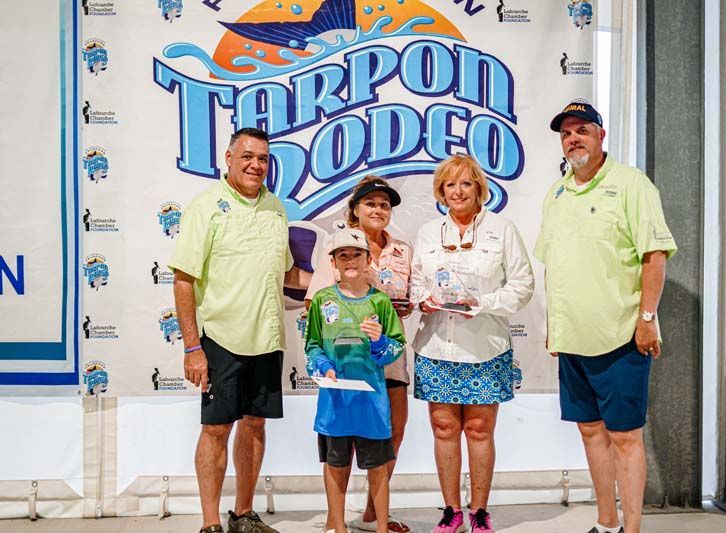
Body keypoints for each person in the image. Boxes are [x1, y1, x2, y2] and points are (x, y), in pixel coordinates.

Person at [534, 101, 677, 533]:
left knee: (625, 437)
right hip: (573, 338)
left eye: (582, 130)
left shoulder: (632, 185)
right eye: (566, 133)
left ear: (601, 136)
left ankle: (632, 529)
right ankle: (607, 522)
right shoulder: (556, 194)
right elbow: (556, 264)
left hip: (621, 338)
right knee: (590, 433)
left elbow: (654, 256)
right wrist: (555, 327)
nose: (573, 138)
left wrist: (647, 317)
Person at [169, 127, 308, 533]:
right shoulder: (205, 206)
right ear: (228, 159)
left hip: (266, 338)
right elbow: (182, 279)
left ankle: (243, 515)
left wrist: (341, 281)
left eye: (263, 158)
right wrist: (193, 348)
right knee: (215, 429)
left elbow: (288, 273)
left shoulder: (275, 208)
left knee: (256, 424)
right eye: (247, 156)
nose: (255, 165)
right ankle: (211, 524)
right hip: (220, 340)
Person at [409, 154, 534, 533]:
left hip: (486, 346)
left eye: (466, 183)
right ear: (441, 192)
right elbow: (415, 281)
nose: (458, 191)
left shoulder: (503, 229)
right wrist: (421, 299)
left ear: (480, 187)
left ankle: (479, 511)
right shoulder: (429, 233)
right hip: (435, 346)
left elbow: (523, 285)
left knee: (479, 430)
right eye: (450, 185)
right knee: (443, 429)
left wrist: (483, 305)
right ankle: (451, 511)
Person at [305, 176, 414, 533]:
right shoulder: (336, 255)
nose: (378, 210)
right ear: (355, 209)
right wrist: (322, 364)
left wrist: (383, 339)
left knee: (388, 436)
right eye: (371, 203)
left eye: (385, 204)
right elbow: (315, 318)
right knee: (339, 450)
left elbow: (404, 307)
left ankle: (374, 514)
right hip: (343, 373)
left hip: (385, 366)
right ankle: (336, 520)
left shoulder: (401, 250)